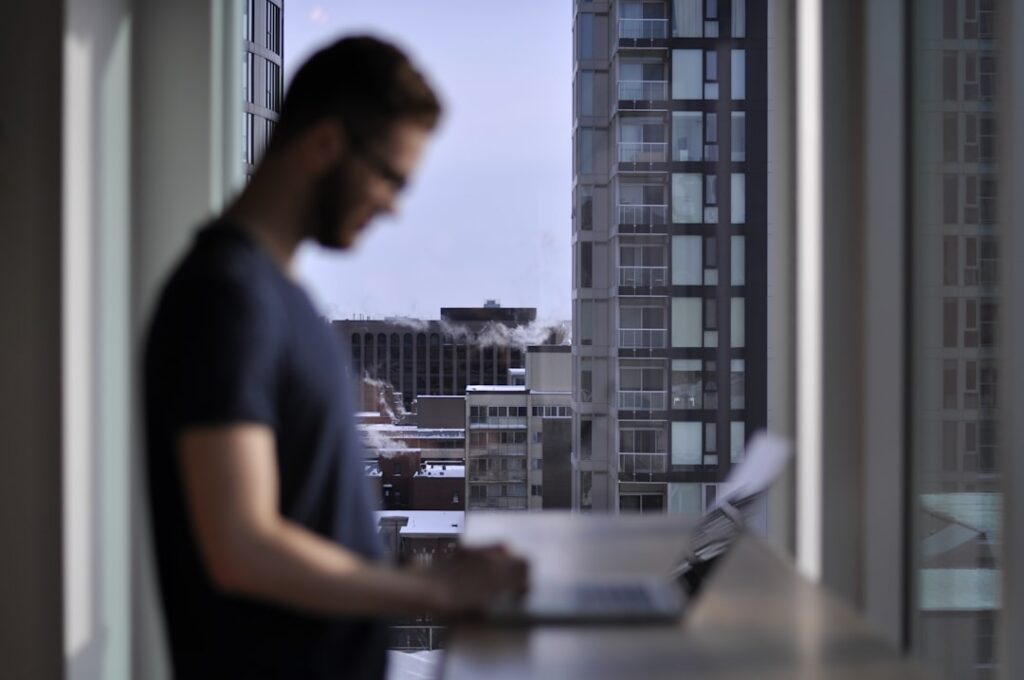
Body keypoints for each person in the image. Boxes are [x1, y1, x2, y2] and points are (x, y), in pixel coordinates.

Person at [144, 36, 528, 679]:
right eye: (389, 176)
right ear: (324, 144)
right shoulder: (224, 298)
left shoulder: (278, 298)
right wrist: (435, 591)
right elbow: (242, 546)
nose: (393, 206)